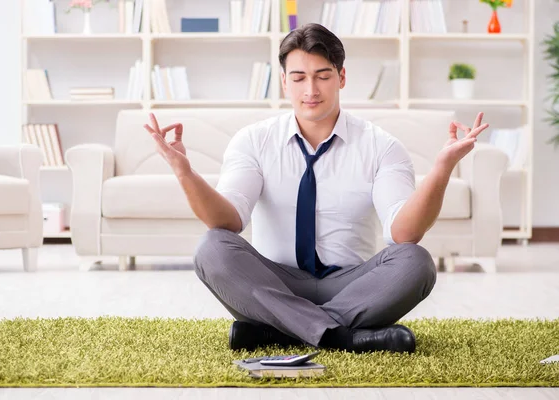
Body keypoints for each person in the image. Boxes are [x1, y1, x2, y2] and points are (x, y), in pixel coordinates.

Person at [143, 23, 488, 354]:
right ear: (284, 82)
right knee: (212, 248)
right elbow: (229, 221)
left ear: (341, 77)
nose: (311, 90)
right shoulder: (253, 141)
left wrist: (443, 168)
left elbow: (404, 232)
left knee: (416, 262)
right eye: (299, 78)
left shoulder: (381, 146)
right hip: (275, 284)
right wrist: (183, 171)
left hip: (354, 285)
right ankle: (344, 337)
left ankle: (276, 332)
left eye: (323, 76)